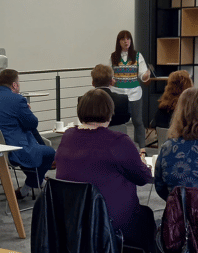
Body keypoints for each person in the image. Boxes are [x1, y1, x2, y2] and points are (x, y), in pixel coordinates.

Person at [55, 89, 155, 252]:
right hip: (110, 222)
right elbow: (143, 178)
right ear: (110, 113)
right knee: (146, 218)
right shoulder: (119, 142)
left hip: (70, 220)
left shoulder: (67, 136)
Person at [0, 69, 56, 199]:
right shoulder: (17, 100)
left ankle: (35, 182)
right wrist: (26, 109)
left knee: (33, 149)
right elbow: (33, 123)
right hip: (11, 150)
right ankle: (30, 185)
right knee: (50, 152)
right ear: (14, 85)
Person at [109, 30, 150, 150]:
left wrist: (146, 75)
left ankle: (142, 148)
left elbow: (142, 75)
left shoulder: (138, 55)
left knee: (137, 120)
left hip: (134, 93)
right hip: (117, 93)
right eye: (123, 39)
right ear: (119, 42)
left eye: (128, 39)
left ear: (131, 41)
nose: (126, 41)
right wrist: (110, 80)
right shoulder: (113, 56)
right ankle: (117, 148)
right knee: (117, 121)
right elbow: (109, 74)